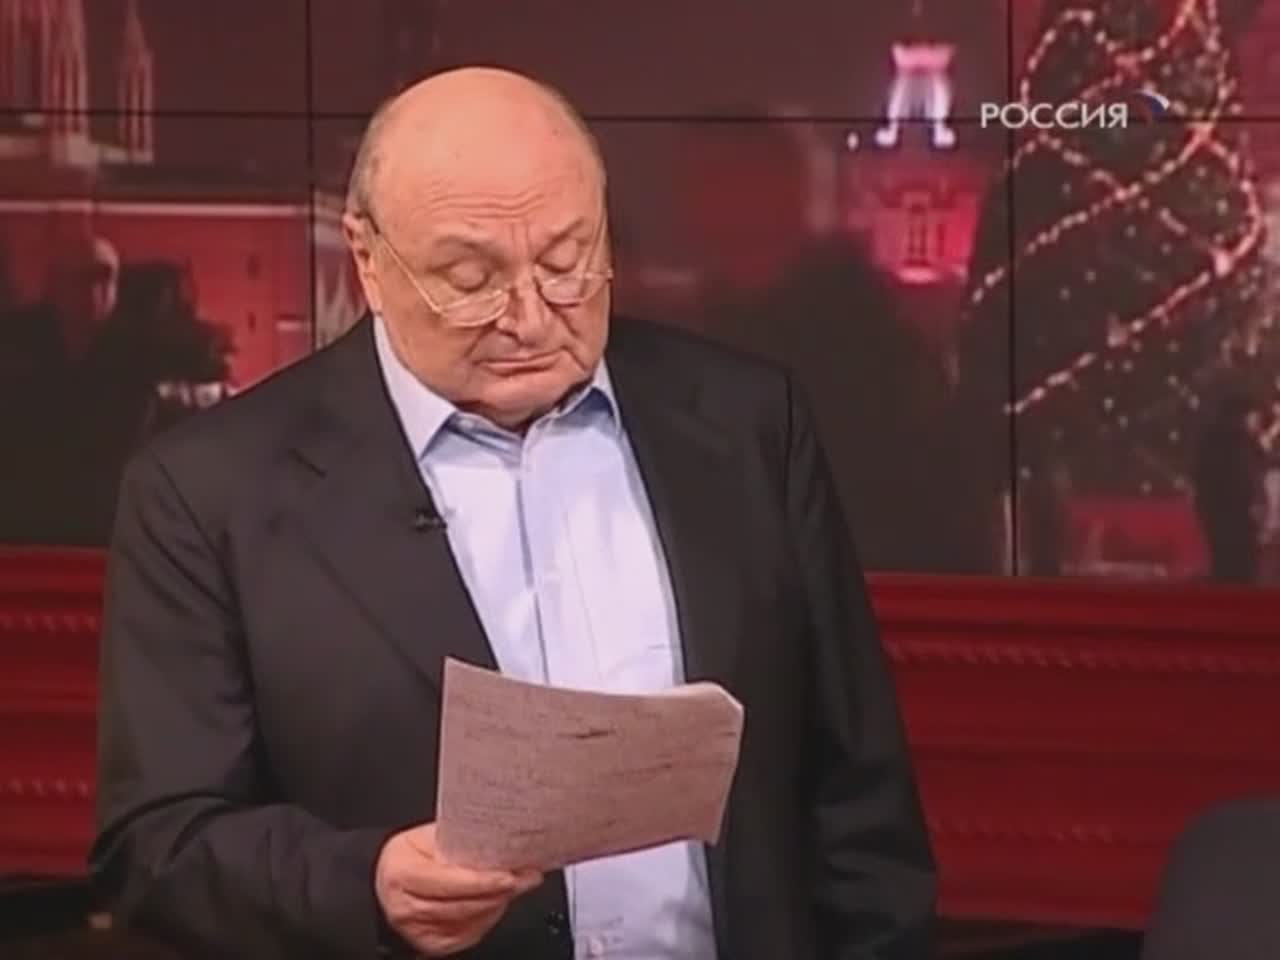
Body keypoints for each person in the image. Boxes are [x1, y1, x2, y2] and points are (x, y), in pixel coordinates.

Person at [91, 67, 936, 959]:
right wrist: (366, 885)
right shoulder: (208, 491)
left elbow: (862, 811)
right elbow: (157, 846)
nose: (529, 318)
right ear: (368, 259)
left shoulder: (748, 425)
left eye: (567, 263)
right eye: (470, 278)